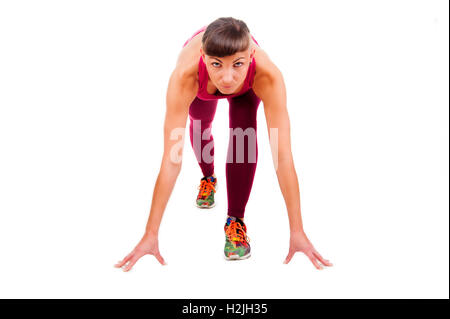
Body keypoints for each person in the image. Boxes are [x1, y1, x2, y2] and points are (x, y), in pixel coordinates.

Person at [115, 17, 332, 270]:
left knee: (243, 138)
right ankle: (208, 178)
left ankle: (235, 220)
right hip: (200, 86)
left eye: (237, 65)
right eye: (217, 64)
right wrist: (150, 233)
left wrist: (298, 230)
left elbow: (282, 156)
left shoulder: (267, 75)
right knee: (200, 123)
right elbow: (171, 159)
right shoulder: (185, 77)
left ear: (251, 55)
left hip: (247, 89)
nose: (228, 78)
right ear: (203, 56)